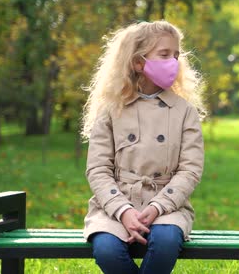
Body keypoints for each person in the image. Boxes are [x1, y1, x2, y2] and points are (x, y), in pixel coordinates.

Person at [81, 20, 206, 274]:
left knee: (166, 242)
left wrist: (157, 206)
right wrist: (123, 210)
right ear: (138, 63)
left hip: (167, 205)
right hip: (115, 204)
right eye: (164, 54)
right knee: (106, 249)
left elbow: (190, 170)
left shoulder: (184, 112)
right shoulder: (111, 110)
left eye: (176, 55)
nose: (174, 61)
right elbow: (98, 169)